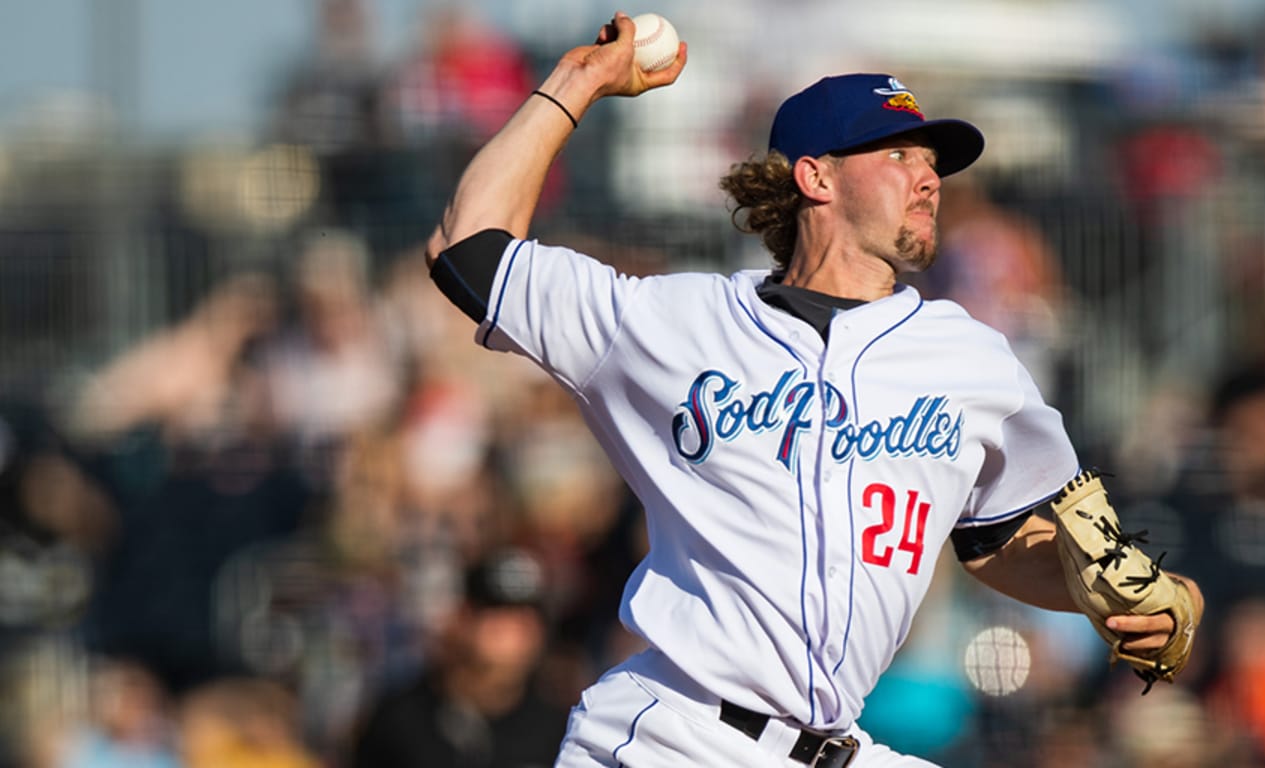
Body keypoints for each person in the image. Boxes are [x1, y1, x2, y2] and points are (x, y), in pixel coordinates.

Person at [422, 12, 1204, 767]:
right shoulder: (672, 320)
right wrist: (578, 80)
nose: (930, 177)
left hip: (832, 744)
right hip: (674, 736)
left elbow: (997, 543)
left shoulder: (974, 361)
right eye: (900, 154)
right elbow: (468, 245)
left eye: (934, 162)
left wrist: (1143, 597)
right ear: (815, 175)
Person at [349, 549, 567, 768]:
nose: (510, 632)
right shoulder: (400, 722)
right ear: (462, 617)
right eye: (495, 612)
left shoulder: (559, 731)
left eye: (523, 617)